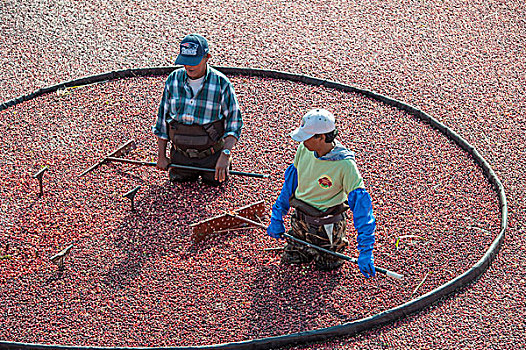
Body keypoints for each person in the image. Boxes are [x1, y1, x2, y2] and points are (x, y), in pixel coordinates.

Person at [267, 108, 376, 277]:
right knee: (291, 262)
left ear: (322, 137)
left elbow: (362, 208)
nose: (302, 142)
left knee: (328, 268)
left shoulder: (345, 165)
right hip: (300, 222)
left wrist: (366, 250)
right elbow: (290, 185)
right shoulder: (304, 150)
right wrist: (277, 215)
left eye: (307, 137)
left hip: (327, 227)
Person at [152, 34, 242, 186]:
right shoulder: (173, 80)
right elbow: (162, 120)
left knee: (215, 188)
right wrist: (161, 155)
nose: (188, 66)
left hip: (212, 157)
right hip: (180, 156)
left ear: (207, 57)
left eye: (193, 61)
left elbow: (234, 123)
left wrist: (225, 155)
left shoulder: (221, 83)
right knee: (178, 190)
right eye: (185, 62)